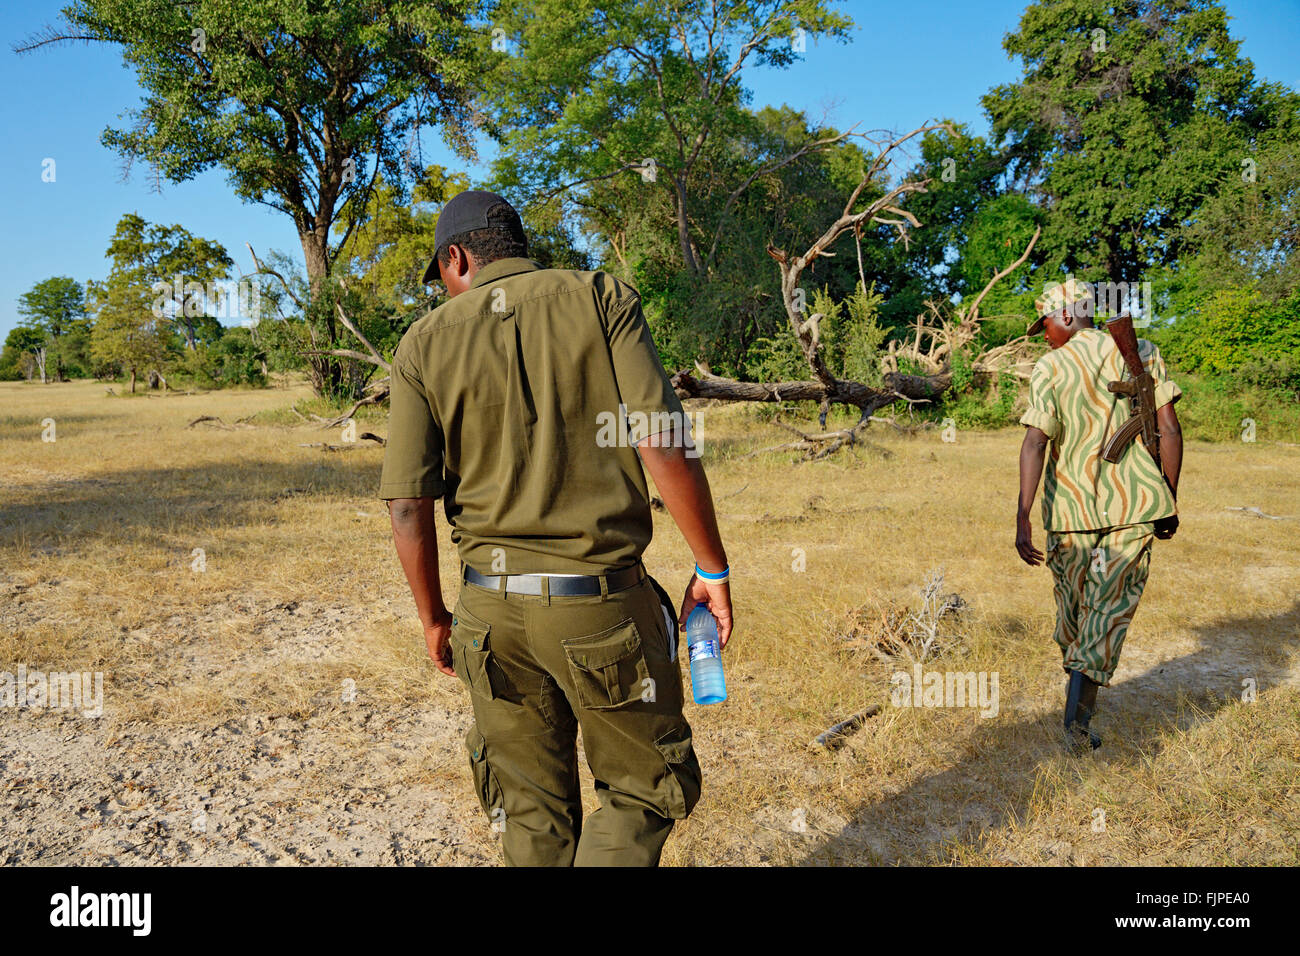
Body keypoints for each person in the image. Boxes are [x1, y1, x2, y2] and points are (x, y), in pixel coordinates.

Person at [378, 189, 733, 865]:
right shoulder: (601, 298)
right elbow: (660, 437)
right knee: (642, 793)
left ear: (456, 258)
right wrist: (710, 567)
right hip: (600, 605)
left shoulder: (422, 343)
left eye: (443, 275)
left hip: (489, 614)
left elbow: (405, 505)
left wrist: (433, 616)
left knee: (528, 814)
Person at [1015, 278, 1183, 753]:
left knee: (1080, 617)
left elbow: (1035, 441)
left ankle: (1073, 728)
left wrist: (1023, 514)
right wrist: (1167, 497)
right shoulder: (1141, 350)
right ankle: (1077, 713)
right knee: (1097, 617)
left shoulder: (1051, 366)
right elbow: (1169, 430)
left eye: (1045, 323)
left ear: (1066, 314)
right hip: (1134, 506)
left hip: (1068, 512)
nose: (1043, 334)